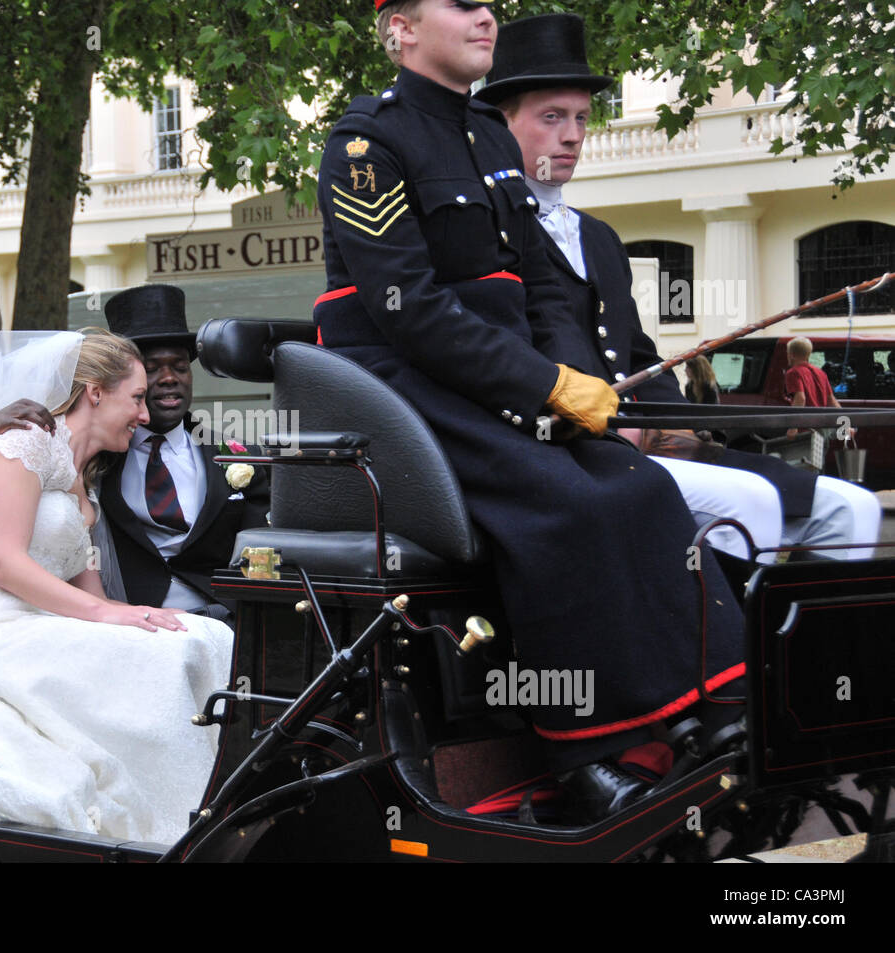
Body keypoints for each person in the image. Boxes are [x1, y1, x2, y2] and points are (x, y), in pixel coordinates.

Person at [314, 0, 745, 823]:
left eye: (489, 6)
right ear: (400, 27)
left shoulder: (486, 134)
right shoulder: (365, 144)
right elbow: (411, 311)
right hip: (411, 385)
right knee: (569, 505)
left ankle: (702, 711)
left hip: (501, 379)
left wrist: (576, 382)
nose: (486, 17)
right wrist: (543, 386)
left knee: (642, 484)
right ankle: (585, 753)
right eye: (463, 4)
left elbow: (542, 287)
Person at [475, 12, 880, 562]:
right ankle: (734, 646)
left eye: (581, 117)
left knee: (852, 508)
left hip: (647, 441)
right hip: (570, 454)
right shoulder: (486, 230)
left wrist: (680, 422)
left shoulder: (598, 237)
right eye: (551, 117)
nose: (571, 135)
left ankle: (810, 646)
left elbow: (637, 352)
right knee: (752, 505)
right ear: (500, 126)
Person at [0, 329, 233, 842]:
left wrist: (133, 616)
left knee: (201, 637)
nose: (145, 414)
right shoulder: (24, 444)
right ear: (94, 393)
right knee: (166, 660)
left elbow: (96, 595)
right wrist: (111, 616)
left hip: (40, 619)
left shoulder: (80, 480)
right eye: (135, 398)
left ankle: (208, 817)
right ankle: (165, 828)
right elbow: (7, 565)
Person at [0, 284, 269, 619]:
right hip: (79, 612)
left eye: (180, 366)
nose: (169, 378)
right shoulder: (91, 452)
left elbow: (264, 545)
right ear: (104, 387)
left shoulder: (235, 454)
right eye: (152, 370)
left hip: (221, 612)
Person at [785, 336, 842, 409]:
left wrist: (793, 419)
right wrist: (843, 418)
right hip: (821, 418)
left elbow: (800, 398)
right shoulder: (821, 373)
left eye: (787, 353)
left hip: (806, 419)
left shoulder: (793, 373)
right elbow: (831, 400)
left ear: (791, 355)